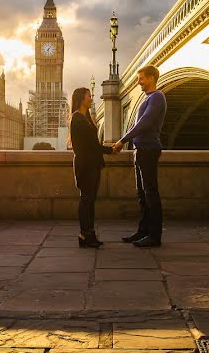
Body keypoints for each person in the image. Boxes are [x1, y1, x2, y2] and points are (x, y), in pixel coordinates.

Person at [115, 65, 167, 248]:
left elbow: (145, 123)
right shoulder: (147, 99)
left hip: (148, 150)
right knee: (142, 194)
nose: (138, 82)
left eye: (141, 78)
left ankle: (155, 235)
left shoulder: (157, 97)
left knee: (150, 193)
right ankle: (143, 231)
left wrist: (122, 141)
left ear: (151, 78)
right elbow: (136, 126)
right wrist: (127, 140)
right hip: (140, 150)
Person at [69, 87, 114, 248]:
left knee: (89, 201)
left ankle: (89, 234)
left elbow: (92, 145)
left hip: (91, 165)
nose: (91, 98)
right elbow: (92, 145)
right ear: (82, 98)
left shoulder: (85, 118)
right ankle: (84, 234)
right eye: (89, 96)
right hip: (86, 166)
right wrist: (110, 150)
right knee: (86, 200)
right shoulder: (78, 119)